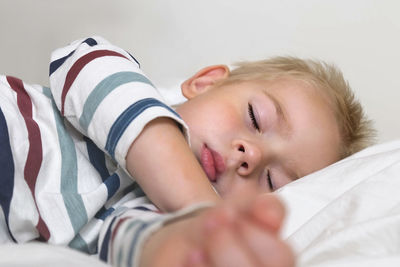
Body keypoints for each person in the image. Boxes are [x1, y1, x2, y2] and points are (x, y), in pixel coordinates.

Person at [0, 36, 374, 267]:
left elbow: (133, 240)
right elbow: (87, 66)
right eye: (255, 118)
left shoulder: (147, 212)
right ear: (204, 82)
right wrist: (202, 206)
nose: (250, 155)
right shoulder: (119, 82)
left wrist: (195, 239)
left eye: (271, 180)